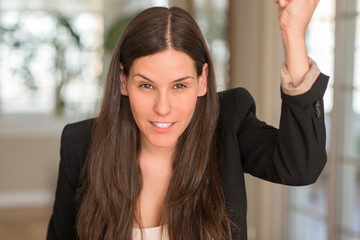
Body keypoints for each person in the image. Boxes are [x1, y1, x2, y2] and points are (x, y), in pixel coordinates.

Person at [47, 1, 329, 239]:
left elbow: (301, 166)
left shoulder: (228, 122)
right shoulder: (80, 144)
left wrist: (293, 34)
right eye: (146, 85)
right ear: (123, 81)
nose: (163, 108)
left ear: (202, 80)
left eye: (179, 86)